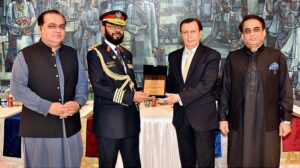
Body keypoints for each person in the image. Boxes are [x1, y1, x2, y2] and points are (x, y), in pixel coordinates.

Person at [10, 10, 88, 167]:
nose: (58, 31)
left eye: (61, 26)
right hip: (39, 131)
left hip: (69, 130)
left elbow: (82, 86)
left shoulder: (73, 54)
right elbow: (18, 89)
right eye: (52, 26)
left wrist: (77, 103)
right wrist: (48, 107)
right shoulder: (25, 55)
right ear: (41, 28)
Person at [218, 15, 293, 167]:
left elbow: (285, 89)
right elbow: (224, 90)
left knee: (267, 159)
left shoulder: (276, 56)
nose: (252, 34)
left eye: (256, 30)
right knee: (238, 159)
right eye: (247, 31)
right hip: (239, 120)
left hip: (268, 120)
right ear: (242, 35)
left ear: (264, 32)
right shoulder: (233, 58)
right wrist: (222, 117)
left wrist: (286, 119)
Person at [86, 10, 152, 167]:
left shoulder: (126, 53)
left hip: (130, 121)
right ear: (103, 28)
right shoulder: (96, 54)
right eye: (112, 27)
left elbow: (130, 83)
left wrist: (148, 91)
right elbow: (99, 87)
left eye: (121, 27)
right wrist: (131, 98)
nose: (117, 31)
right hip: (109, 123)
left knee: (134, 164)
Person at [162, 18, 221, 167]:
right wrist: (154, 86)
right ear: (181, 34)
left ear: (200, 33)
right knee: (186, 162)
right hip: (181, 118)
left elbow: (206, 85)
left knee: (205, 163)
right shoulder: (173, 56)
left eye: (193, 32)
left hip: (203, 118)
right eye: (185, 32)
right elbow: (172, 83)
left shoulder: (211, 55)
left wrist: (179, 97)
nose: (189, 36)